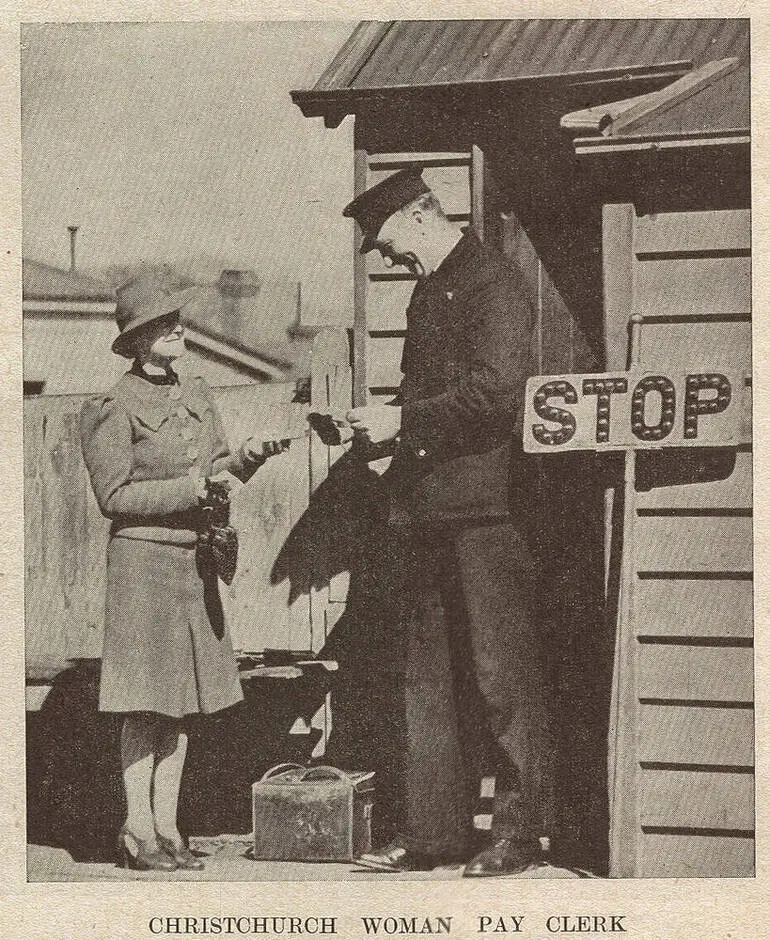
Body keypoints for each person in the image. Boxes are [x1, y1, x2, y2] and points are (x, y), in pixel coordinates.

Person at [341, 167, 552, 877]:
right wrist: (386, 442)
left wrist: (403, 421)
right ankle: (434, 835)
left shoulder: (494, 284)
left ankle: (517, 836)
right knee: (427, 680)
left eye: (388, 238)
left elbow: (495, 392)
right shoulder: (430, 291)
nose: (387, 254)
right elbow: (422, 394)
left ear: (421, 215)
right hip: (427, 510)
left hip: (487, 513)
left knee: (501, 678)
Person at [80, 272, 286, 872]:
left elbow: (218, 468)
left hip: (196, 560)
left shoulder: (196, 392)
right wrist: (193, 486)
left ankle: (169, 829)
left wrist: (248, 456)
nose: (179, 330)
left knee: (184, 703)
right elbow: (114, 496)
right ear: (140, 339)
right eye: (166, 324)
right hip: (143, 562)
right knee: (144, 703)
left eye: (178, 321)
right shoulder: (110, 406)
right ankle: (136, 830)